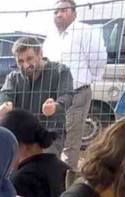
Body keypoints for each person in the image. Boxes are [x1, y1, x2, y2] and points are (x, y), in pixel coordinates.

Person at [44, 0, 107, 169]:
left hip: (77, 93)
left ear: (74, 13)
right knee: (53, 137)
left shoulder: (84, 31)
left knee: (70, 141)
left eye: (63, 10)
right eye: (55, 11)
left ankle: (65, 180)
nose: (59, 15)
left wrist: (85, 80)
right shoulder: (51, 37)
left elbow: (98, 59)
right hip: (55, 96)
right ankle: (52, 175)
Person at [0, 37, 74, 155]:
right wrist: (4, 105)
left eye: (29, 59)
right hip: (21, 137)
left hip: (49, 134)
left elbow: (67, 96)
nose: (26, 65)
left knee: (43, 165)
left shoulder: (60, 71)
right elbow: (5, 94)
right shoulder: (13, 77)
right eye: (20, 61)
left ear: (40, 54)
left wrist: (55, 106)